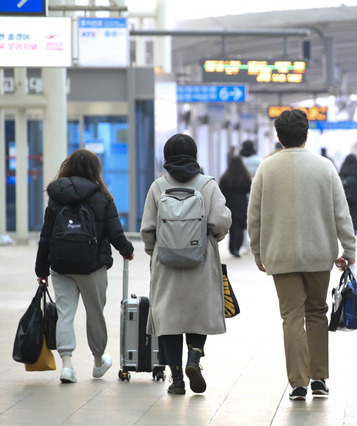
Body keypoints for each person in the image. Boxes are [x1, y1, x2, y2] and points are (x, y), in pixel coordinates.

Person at [248, 109, 357, 401]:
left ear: (279, 137)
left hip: (280, 256)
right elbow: (341, 214)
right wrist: (350, 249)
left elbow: (254, 216)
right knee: (317, 313)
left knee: (292, 317)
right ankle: (319, 379)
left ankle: (298, 383)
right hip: (319, 253)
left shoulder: (266, 169)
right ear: (306, 134)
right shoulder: (325, 167)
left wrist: (257, 251)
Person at [140, 134, 232, 395]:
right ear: (194, 154)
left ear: (167, 156)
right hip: (200, 258)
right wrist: (211, 239)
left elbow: (147, 228)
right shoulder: (208, 185)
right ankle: (194, 357)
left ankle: (177, 378)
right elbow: (221, 222)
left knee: (167, 316)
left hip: (165, 261)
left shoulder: (158, 186)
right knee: (197, 312)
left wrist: (155, 251)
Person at [35, 149, 134, 384]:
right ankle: (98, 362)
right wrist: (127, 250)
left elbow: (46, 236)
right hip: (93, 265)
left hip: (61, 265)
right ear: (95, 170)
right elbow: (115, 232)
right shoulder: (102, 196)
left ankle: (67, 365)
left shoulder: (56, 196)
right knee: (95, 313)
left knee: (65, 314)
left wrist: (41, 270)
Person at [219, 156, 252, 257]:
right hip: (241, 205)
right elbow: (249, 189)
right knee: (241, 226)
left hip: (230, 205)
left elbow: (221, 191)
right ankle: (237, 247)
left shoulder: (225, 177)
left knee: (233, 227)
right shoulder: (245, 176)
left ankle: (233, 248)